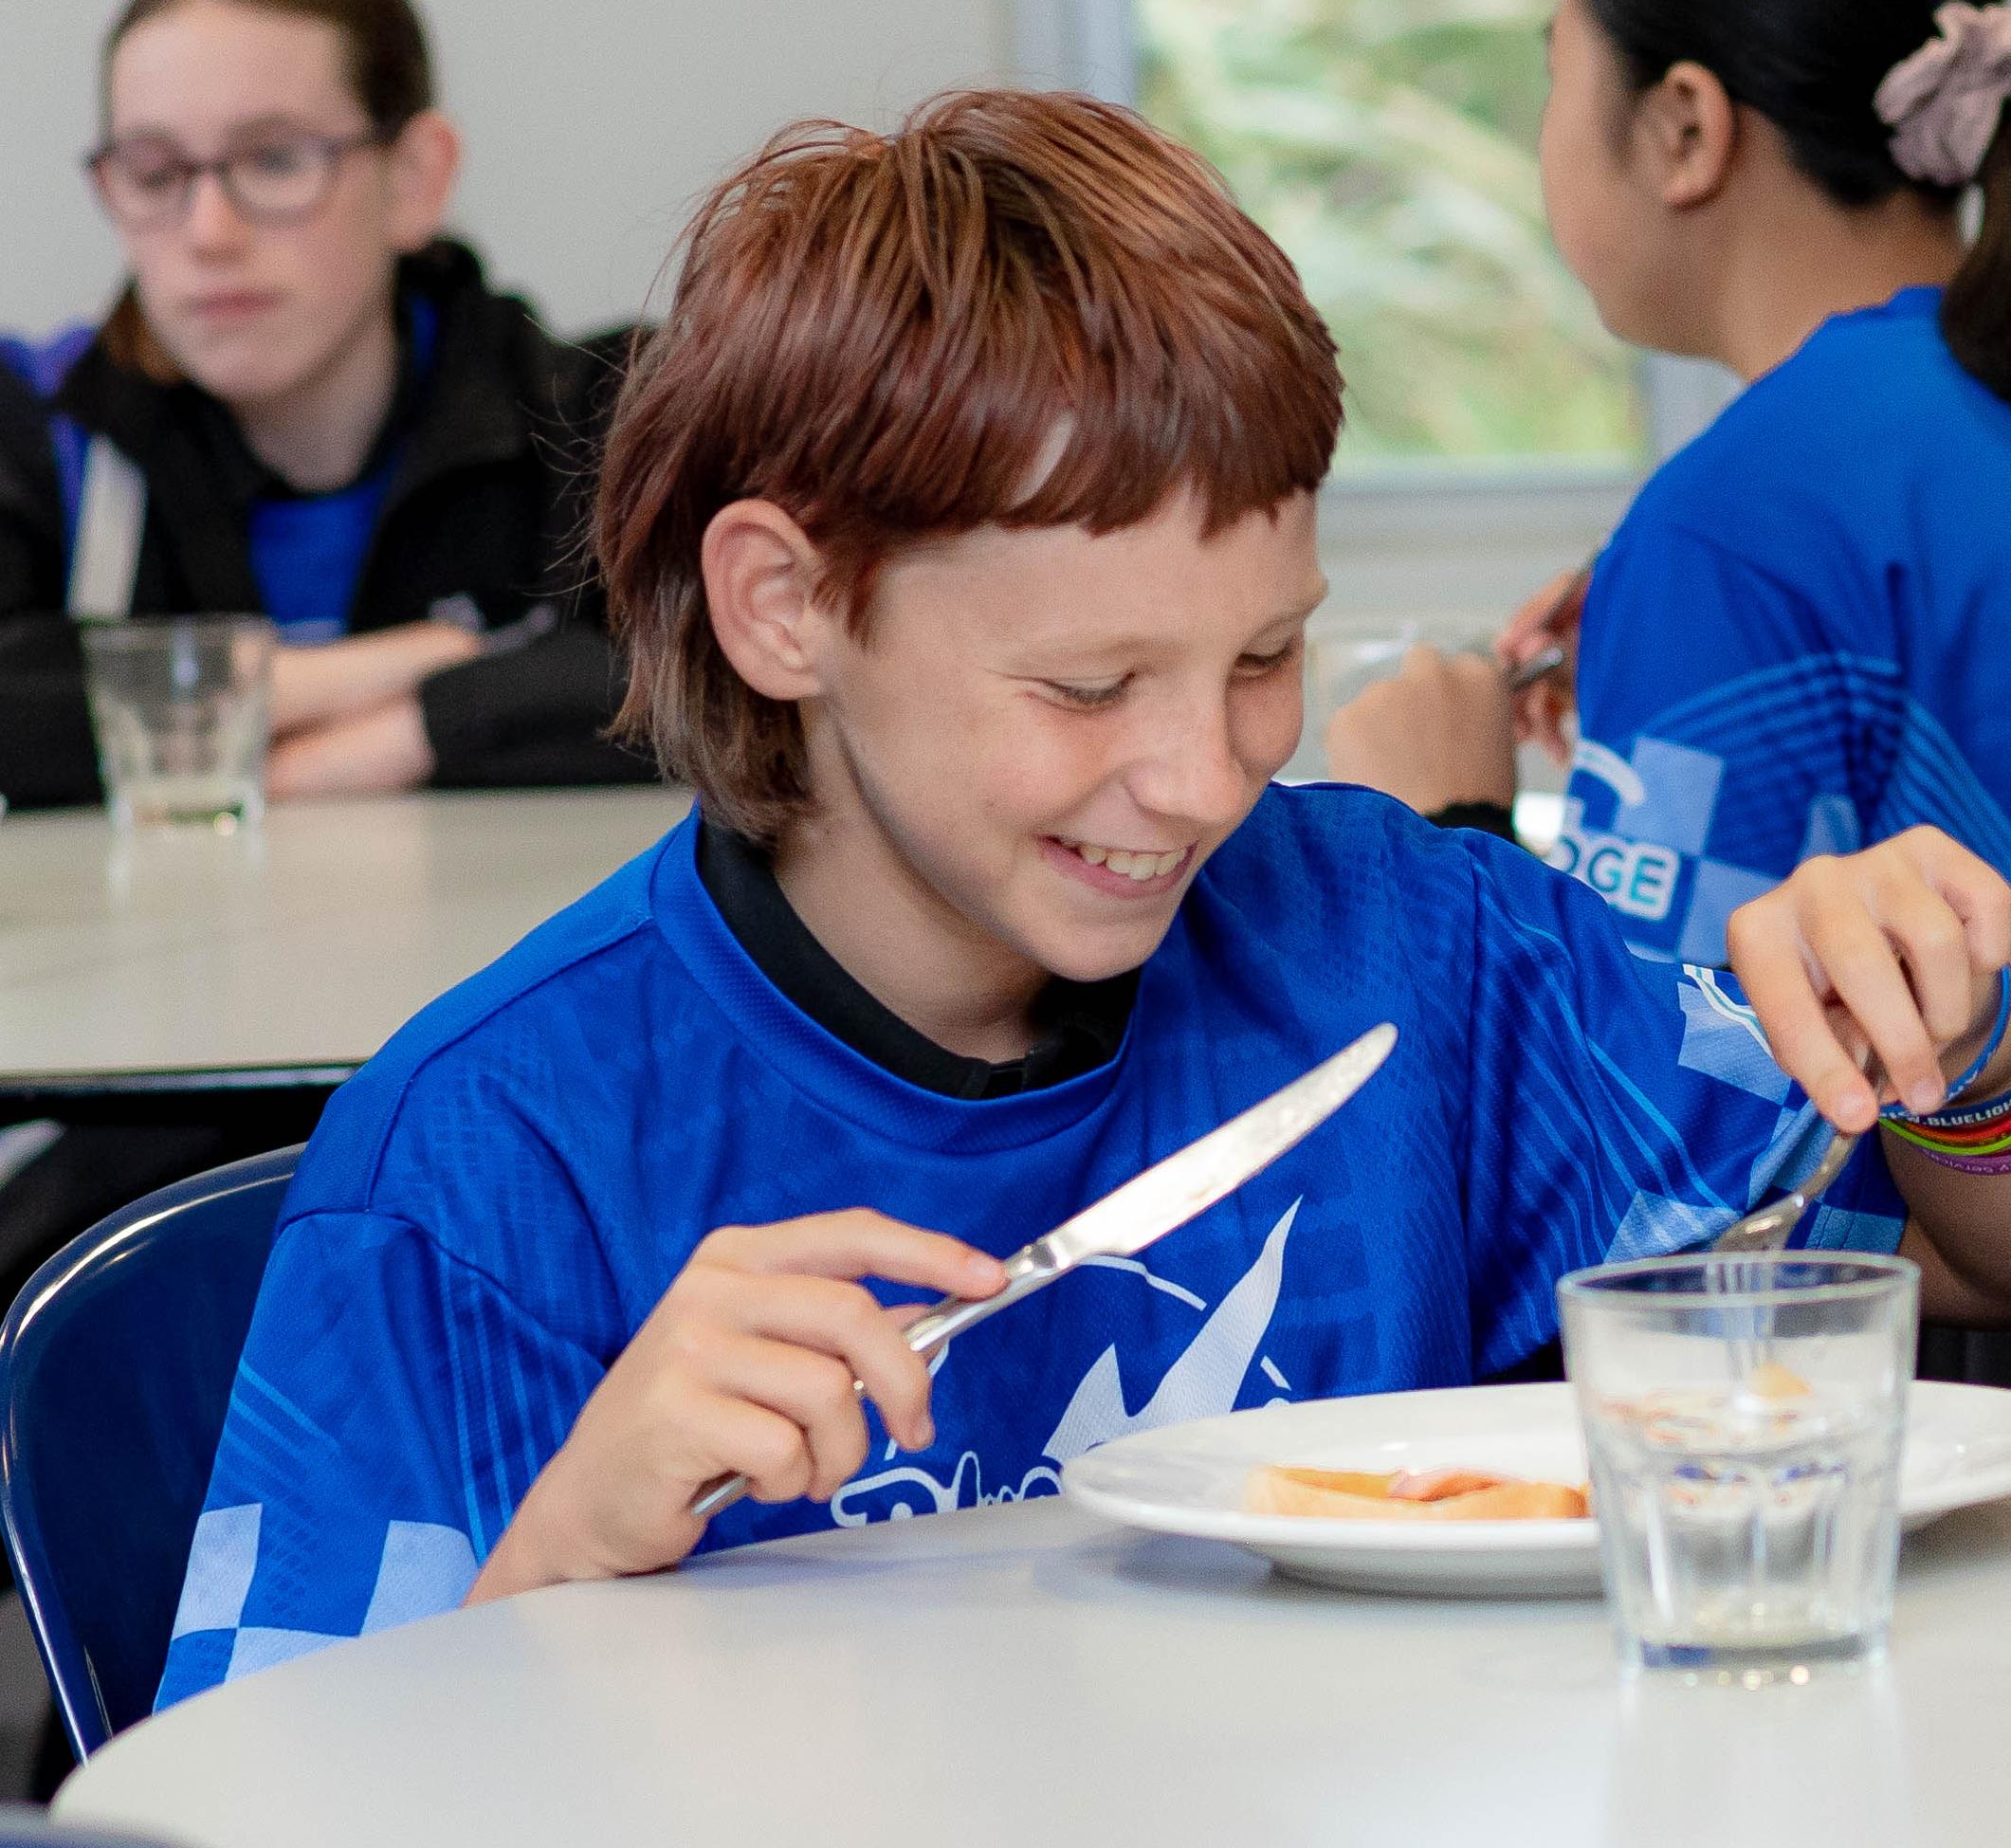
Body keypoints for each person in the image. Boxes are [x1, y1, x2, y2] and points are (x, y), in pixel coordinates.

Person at [156, 89, 2011, 1711]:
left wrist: (1954, 1027)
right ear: (785, 608)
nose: (1205, 777)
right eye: (1087, 685)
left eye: (1264, 657)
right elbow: (260, 1794)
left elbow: (1957, 1262)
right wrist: (564, 1553)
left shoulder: (1407, 951)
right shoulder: (487, 1159)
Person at [1325, 0, 2011, 969]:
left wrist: (1446, 824)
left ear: (1685, 127)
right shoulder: (1925, 431)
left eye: (1557, 74)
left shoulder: (1739, 522)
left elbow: (1644, 1070)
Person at [0, 0, 655, 808]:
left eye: (275, 159)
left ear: (415, 177)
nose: (209, 233)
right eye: (154, 172)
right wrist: (384, 668)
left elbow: (747, 667)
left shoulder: (606, 414)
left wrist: (401, 736)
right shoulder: (39, 422)